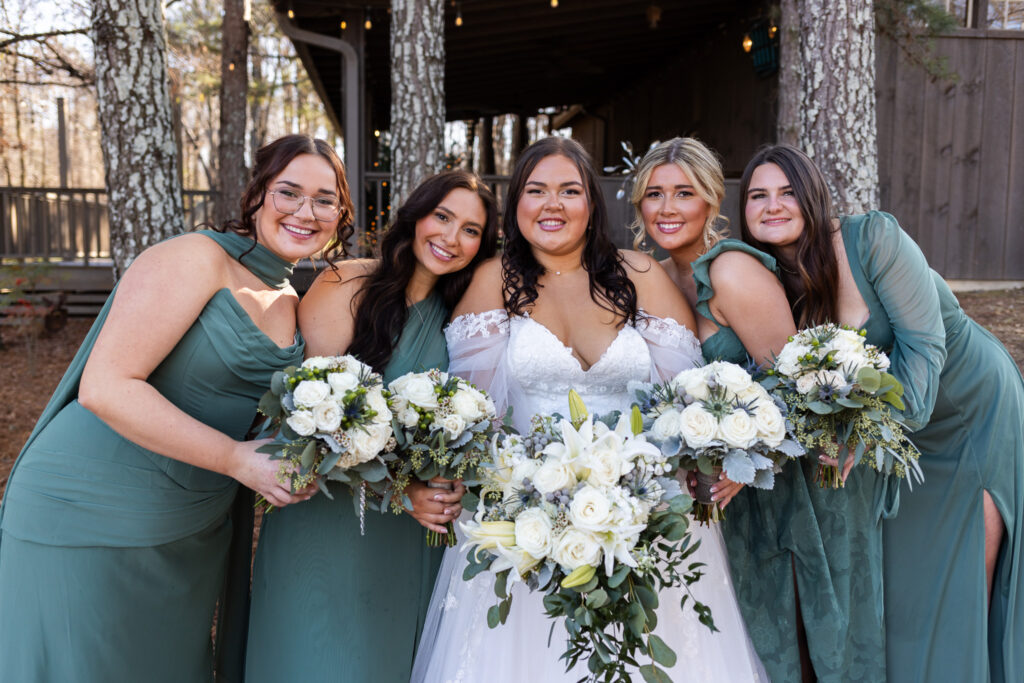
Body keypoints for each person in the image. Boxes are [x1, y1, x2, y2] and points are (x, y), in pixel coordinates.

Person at [412, 136, 768, 682]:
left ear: (592, 205)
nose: (552, 204)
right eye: (536, 190)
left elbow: (687, 393)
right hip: (525, 518)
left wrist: (719, 461)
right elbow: (466, 415)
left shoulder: (639, 275)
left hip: (646, 512)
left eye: (569, 191)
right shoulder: (492, 280)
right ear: (516, 205)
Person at [0, 134, 352, 682]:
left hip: (192, 528)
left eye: (325, 199)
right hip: (89, 513)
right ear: (258, 193)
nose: (306, 211)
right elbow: (107, 386)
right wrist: (238, 460)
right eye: (289, 192)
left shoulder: (289, 299)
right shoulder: (196, 258)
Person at [740, 144, 1024, 683]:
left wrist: (867, 435)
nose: (773, 206)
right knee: (906, 593)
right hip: (887, 438)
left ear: (813, 197)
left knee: (958, 587)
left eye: (787, 192)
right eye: (758, 195)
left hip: (966, 412)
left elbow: (923, 346)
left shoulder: (873, 238)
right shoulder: (772, 278)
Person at [635, 137, 889, 682]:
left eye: (683, 193)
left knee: (797, 636)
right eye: (654, 194)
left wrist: (744, 462)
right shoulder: (651, 278)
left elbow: (796, 392)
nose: (667, 208)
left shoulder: (730, 270)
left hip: (786, 485)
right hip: (718, 493)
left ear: (710, 201)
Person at [243, 169, 499, 682]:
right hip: (328, 516)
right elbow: (302, 426)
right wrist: (402, 494)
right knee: (319, 658)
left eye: (471, 230)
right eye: (443, 217)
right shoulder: (349, 282)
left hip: (411, 534)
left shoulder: (463, 317)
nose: (451, 238)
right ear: (416, 215)